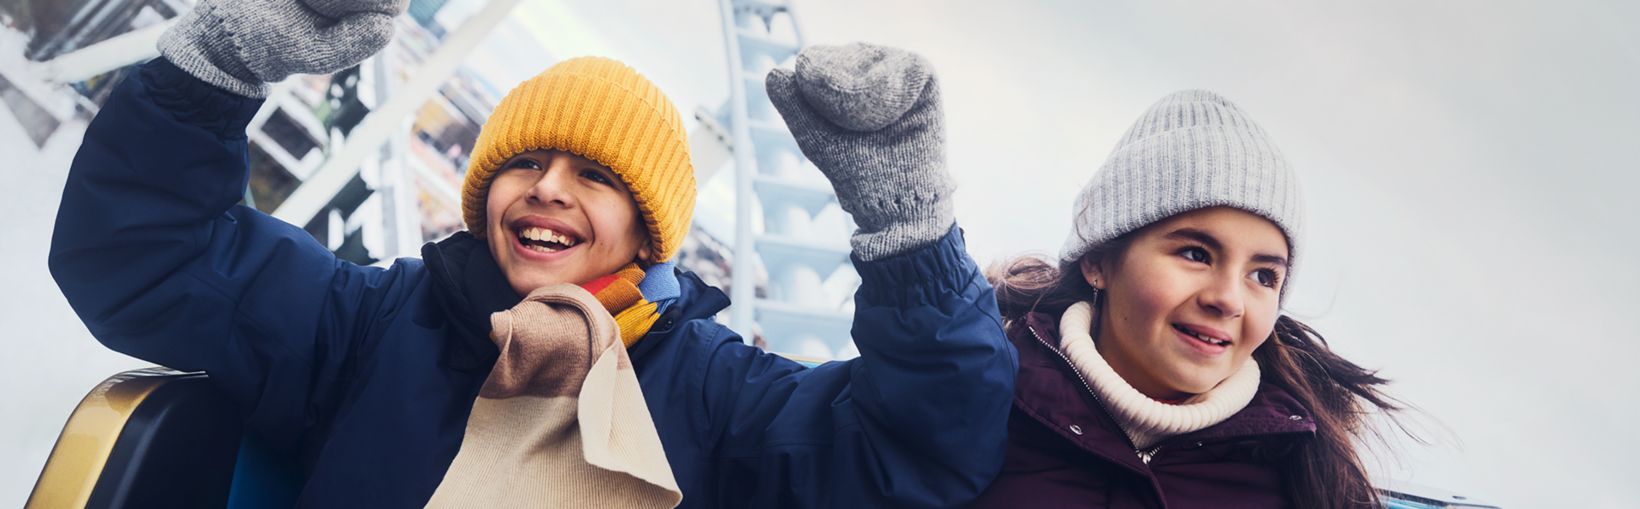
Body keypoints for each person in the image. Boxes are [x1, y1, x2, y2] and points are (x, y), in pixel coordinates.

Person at [47, 0, 1015, 505]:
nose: (548, 187)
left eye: (595, 176)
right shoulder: (374, 321)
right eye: (524, 162)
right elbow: (151, 253)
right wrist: (219, 60)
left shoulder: (717, 400)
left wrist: (908, 236)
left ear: (648, 230)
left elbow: (917, 446)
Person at [968, 90, 1403, 509]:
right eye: (1196, 254)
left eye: (1263, 276)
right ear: (1098, 261)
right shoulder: (973, 400)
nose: (1229, 299)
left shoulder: (1309, 474)